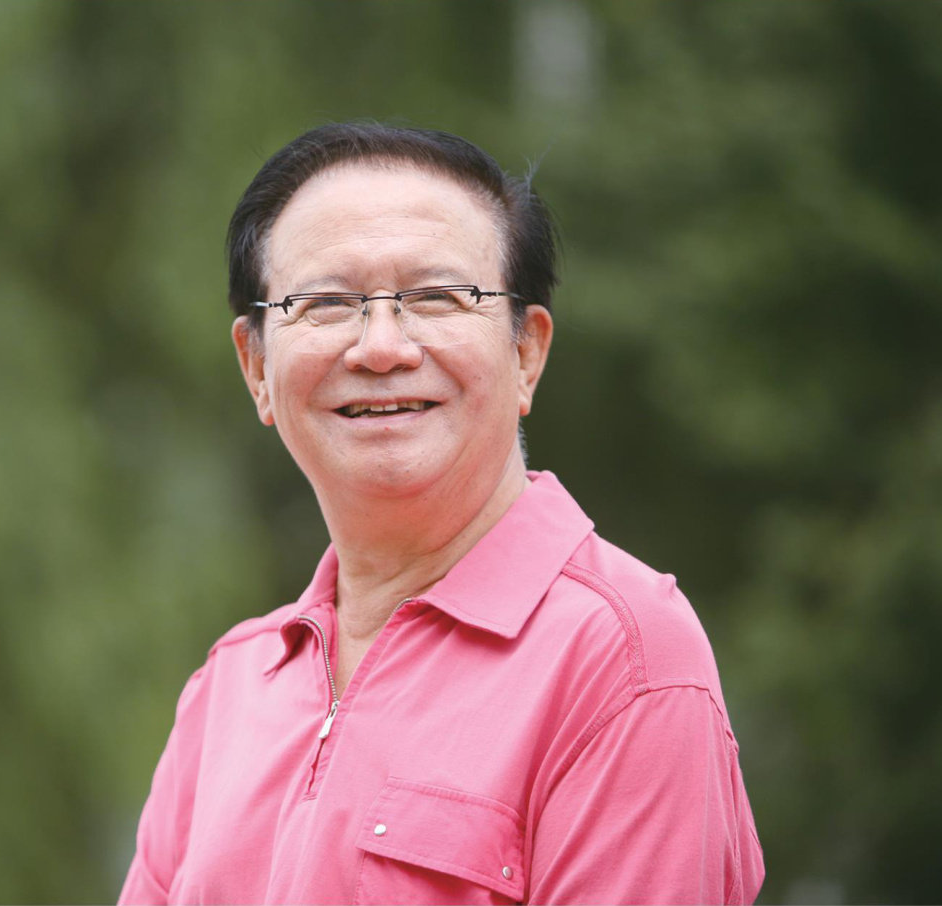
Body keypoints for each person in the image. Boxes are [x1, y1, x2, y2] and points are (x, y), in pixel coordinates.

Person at [119, 123, 764, 905]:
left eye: (434, 298)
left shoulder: (619, 660)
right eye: (325, 303)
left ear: (526, 352)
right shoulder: (231, 685)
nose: (380, 347)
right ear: (256, 366)